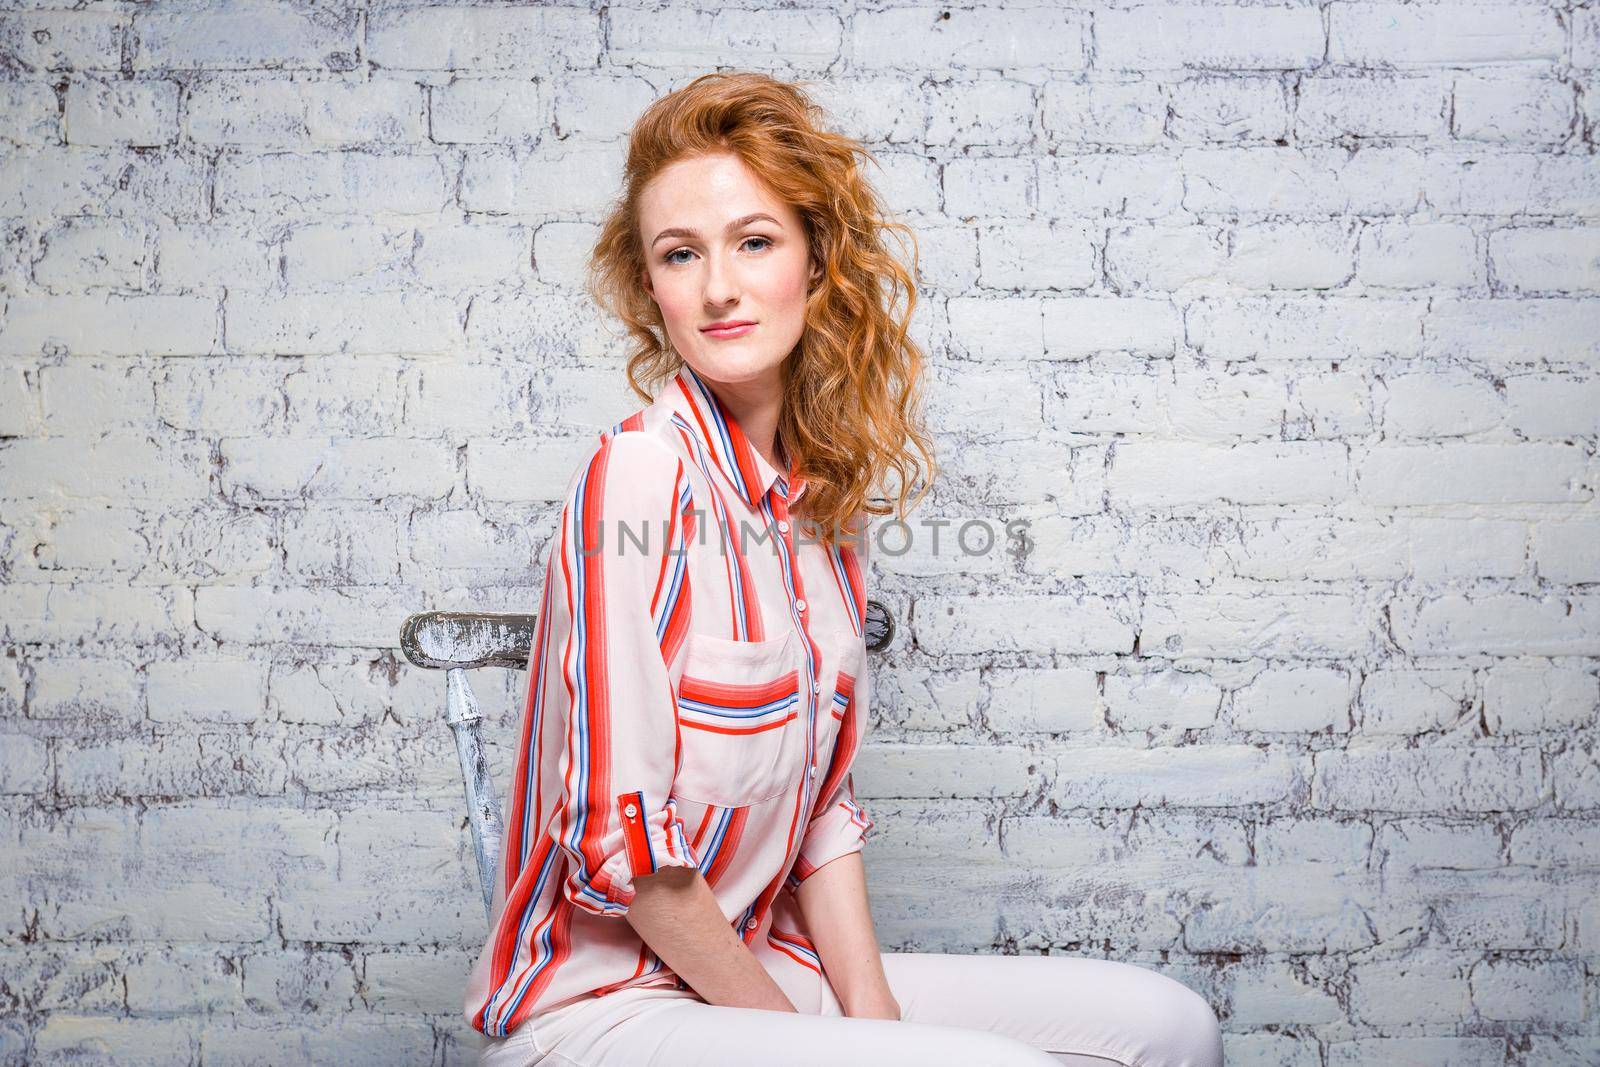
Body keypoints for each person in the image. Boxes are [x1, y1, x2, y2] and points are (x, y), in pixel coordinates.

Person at [463, 71, 1225, 1067]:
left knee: (1171, 1027)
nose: (719, 286)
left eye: (755, 241)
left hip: (753, 968)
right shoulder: (642, 475)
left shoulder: (816, 516)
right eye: (680, 254)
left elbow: (822, 816)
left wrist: (871, 1023)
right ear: (651, 289)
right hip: (602, 1005)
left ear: (815, 265)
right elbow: (625, 849)